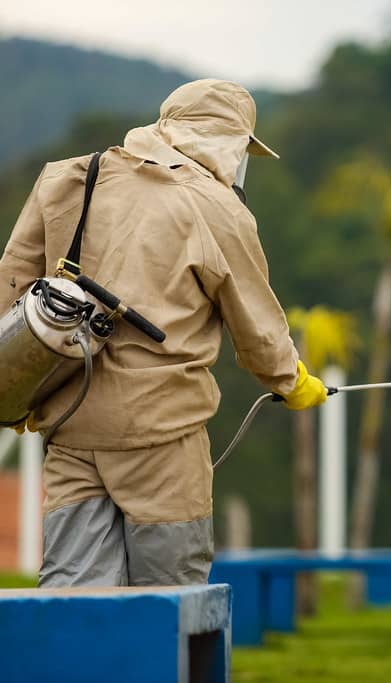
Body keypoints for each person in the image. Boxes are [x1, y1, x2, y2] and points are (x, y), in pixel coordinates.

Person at [0, 79, 327, 587]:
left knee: (73, 590)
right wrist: (293, 383)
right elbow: (257, 327)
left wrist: (15, 379)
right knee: (171, 594)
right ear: (232, 143)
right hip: (161, 436)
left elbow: (13, 285)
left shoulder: (70, 177)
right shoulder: (217, 208)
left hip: (68, 418)